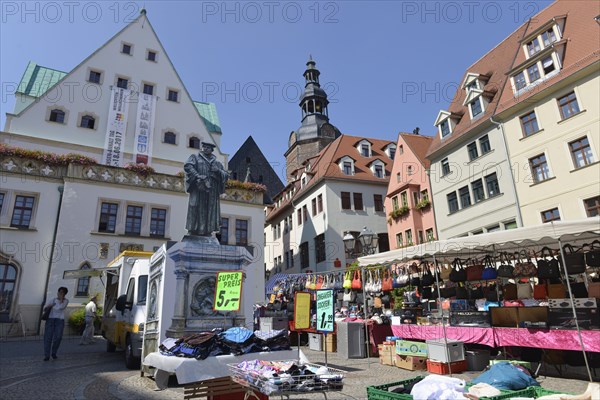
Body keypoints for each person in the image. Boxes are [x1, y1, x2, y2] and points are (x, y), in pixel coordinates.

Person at [184, 142, 229, 237]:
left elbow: (226, 175)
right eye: (204, 147)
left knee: (209, 210)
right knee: (195, 207)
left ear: (212, 150)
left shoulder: (217, 163)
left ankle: (207, 231)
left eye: (208, 147)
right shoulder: (195, 157)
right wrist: (197, 176)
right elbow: (188, 166)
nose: (205, 149)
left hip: (211, 190)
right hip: (198, 187)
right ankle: (192, 230)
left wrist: (218, 171)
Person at [43, 287, 69, 361]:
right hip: (50, 319)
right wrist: (48, 307)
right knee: (48, 337)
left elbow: (61, 308)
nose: (60, 293)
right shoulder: (53, 299)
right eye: (59, 292)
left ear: (64, 294)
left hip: (59, 320)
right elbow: (45, 308)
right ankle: (47, 355)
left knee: (58, 337)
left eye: (62, 292)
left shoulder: (66, 301)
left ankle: (54, 352)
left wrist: (61, 300)